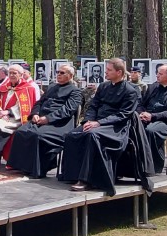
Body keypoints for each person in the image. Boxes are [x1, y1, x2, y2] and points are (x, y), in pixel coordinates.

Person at [58, 58, 140, 193]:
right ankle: (72, 175)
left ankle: (86, 180)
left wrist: (99, 123)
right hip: (95, 122)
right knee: (72, 135)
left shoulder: (131, 91)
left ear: (119, 72)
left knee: (92, 136)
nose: (105, 72)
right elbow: (93, 106)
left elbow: (123, 115)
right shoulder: (103, 86)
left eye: (109, 70)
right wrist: (87, 121)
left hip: (115, 127)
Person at [6, 63, 83, 177]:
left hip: (60, 123)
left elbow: (68, 110)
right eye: (57, 72)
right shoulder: (52, 88)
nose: (58, 75)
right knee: (21, 132)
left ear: (70, 75)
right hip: (40, 118)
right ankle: (22, 166)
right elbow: (39, 102)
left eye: (62, 73)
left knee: (38, 136)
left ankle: (39, 169)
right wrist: (35, 114)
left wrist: (48, 119)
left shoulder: (75, 92)